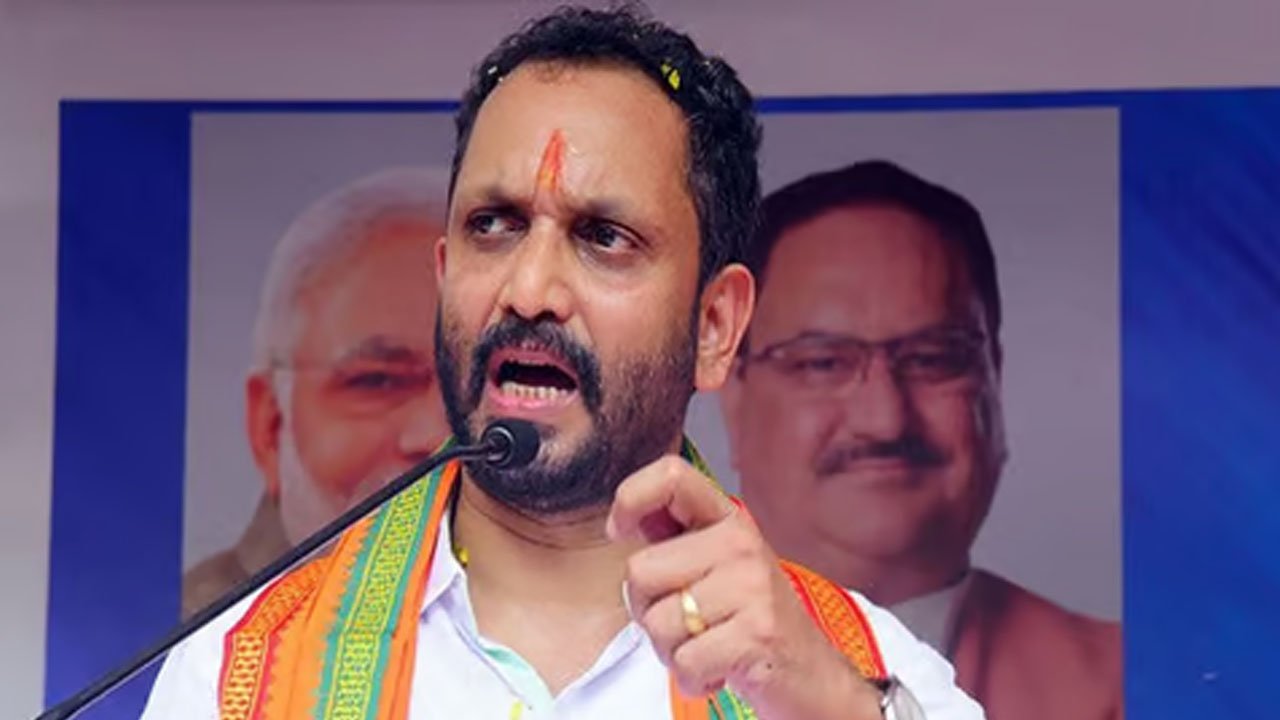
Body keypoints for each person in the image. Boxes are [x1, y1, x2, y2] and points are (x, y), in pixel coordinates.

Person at [143, 7, 983, 718]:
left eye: (603, 237)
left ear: (715, 327)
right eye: (495, 226)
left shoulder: (860, 676)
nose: (529, 290)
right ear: (444, 278)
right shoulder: (235, 676)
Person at [720, 159, 1123, 720]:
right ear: (731, 394)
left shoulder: (1125, 683)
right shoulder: (633, 673)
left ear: (994, 376)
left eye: (933, 359)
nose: (884, 420)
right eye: (823, 362)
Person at [180, 167, 454, 619]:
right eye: (379, 381)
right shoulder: (199, 643)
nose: (435, 435)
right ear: (269, 426)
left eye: (470, 384)